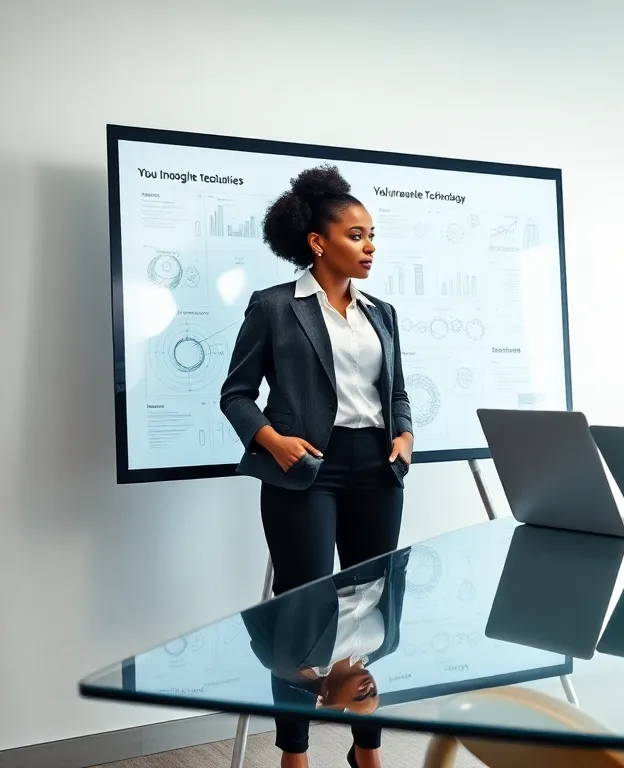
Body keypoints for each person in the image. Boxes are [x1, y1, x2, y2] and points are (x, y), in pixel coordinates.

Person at [220, 164, 413, 768]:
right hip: (305, 471)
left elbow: (397, 392)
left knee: (373, 613)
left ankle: (366, 750)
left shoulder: (382, 312)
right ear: (317, 242)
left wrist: (404, 434)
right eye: (357, 236)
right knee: (300, 620)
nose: (370, 247)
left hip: (376, 472)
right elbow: (236, 394)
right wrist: (271, 439)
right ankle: (295, 754)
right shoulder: (275, 307)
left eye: (373, 235)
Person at [241, 551, 408, 768]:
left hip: (315, 585)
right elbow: (397, 577)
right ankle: (365, 755)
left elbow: (258, 621)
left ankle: (360, 752)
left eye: (363, 695)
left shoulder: (297, 662)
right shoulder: (385, 644)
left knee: (291, 668)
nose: (370, 688)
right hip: (368, 569)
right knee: (344, 694)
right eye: (374, 692)